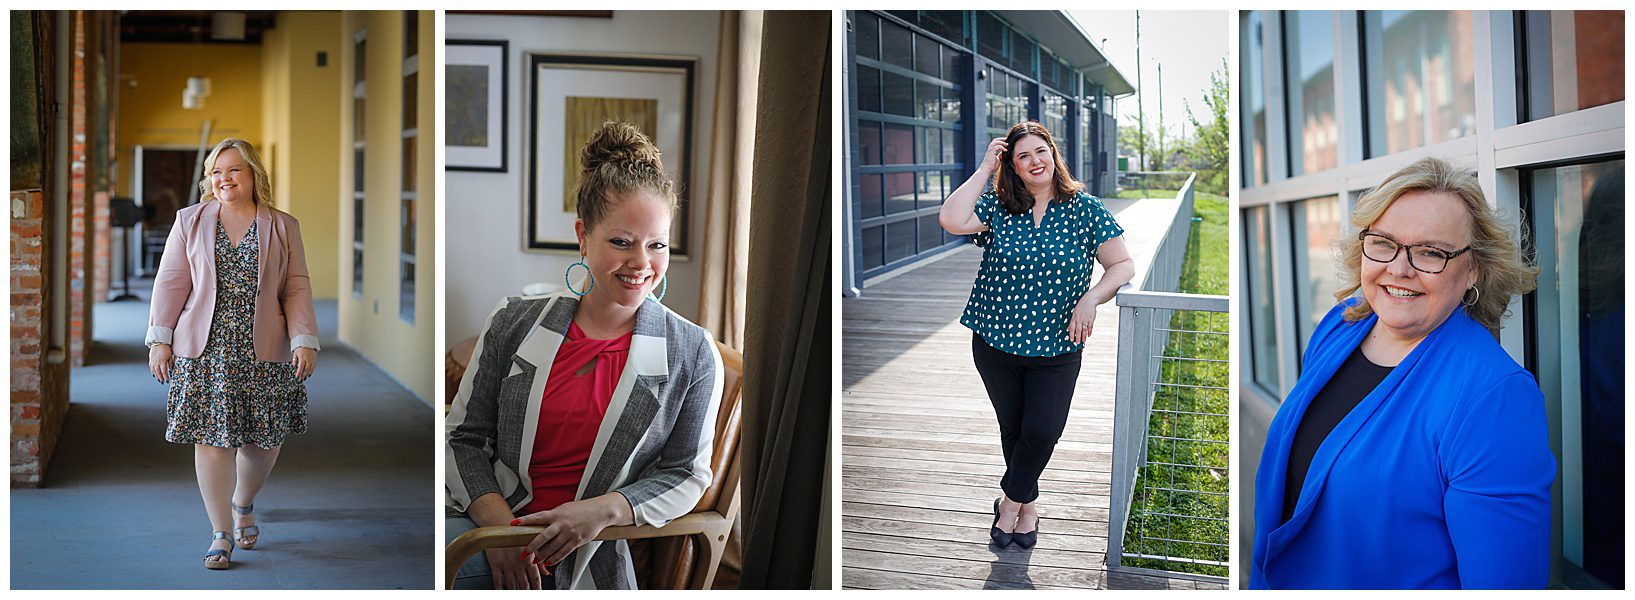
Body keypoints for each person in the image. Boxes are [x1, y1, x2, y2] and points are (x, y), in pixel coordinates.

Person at [1249, 157, 1554, 589]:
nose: (1399, 268)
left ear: (1474, 270)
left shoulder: (1494, 397)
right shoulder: (1341, 325)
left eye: (1431, 252)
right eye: (1384, 242)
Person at [445, 122, 723, 590]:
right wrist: (499, 536)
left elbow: (686, 474)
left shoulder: (693, 353)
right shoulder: (513, 321)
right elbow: (463, 438)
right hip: (483, 528)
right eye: (621, 241)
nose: (641, 263)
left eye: (657, 244)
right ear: (583, 236)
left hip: (591, 552)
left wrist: (602, 510)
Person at [939, 121, 1134, 548]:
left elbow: (1121, 266)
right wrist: (984, 168)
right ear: (1012, 164)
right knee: (1014, 430)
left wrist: (1090, 299)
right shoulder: (997, 205)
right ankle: (1028, 506)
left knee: (1043, 430)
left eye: (1040, 151)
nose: (1034, 161)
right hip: (995, 342)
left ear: (1054, 154)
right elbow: (951, 219)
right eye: (1022, 155)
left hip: (1058, 344)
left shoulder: (1084, 208)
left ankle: (1008, 504)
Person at [146, 138, 319, 570]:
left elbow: (296, 286)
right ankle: (220, 532)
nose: (223, 179)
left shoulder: (283, 225)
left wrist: (303, 339)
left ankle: (243, 501)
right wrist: (159, 338)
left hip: (265, 350)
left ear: (254, 175)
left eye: (233, 170)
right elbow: (170, 281)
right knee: (211, 440)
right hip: (205, 350)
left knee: (263, 444)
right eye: (216, 172)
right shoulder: (190, 221)